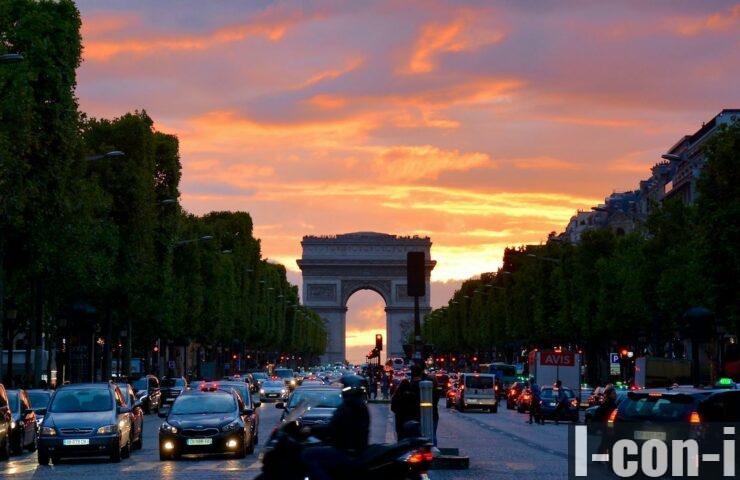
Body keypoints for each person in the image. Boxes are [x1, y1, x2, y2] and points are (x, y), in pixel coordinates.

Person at [301, 375, 370, 480]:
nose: (342, 389)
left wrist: (311, 429)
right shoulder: (355, 404)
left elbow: (334, 428)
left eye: (344, 387)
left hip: (347, 451)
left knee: (308, 455)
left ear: (350, 388)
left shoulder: (351, 406)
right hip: (349, 448)